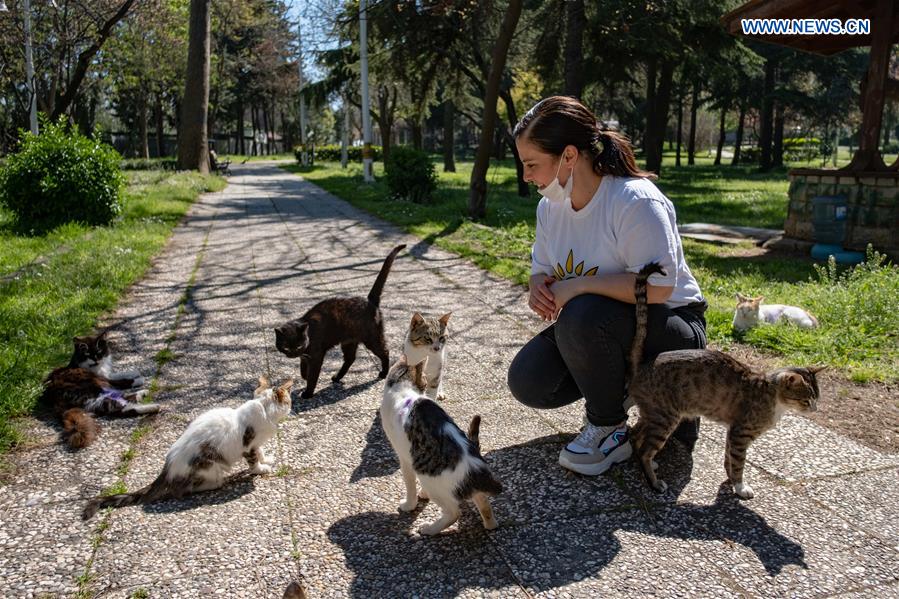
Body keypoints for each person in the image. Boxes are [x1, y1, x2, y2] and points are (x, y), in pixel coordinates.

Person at [507, 96, 707, 476]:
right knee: (529, 381)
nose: (526, 176)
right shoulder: (550, 208)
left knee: (583, 313)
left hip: (674, 329)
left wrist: (577, 286)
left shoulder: (634, 200)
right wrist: (539, 286)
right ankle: (627, 388)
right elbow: (542, 269)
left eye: (531, 164)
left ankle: (609, 427)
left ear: (568, 156)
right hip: (607, 326)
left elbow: (661, 289)